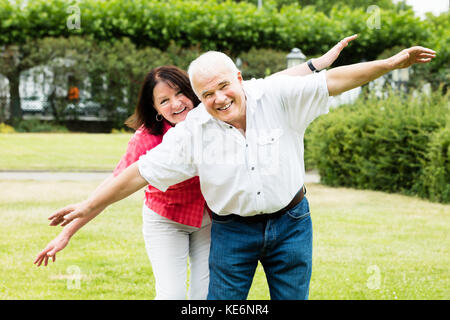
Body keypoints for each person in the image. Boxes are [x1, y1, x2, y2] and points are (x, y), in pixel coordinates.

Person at [34, 36, 358, 300]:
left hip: (207, 220)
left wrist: (319, 64)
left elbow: (268, 85)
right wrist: (67, 232)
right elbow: (119, 184)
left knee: (203, 299)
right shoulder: (148, 140)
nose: (175, 104)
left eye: (180, 94)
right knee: (172, 295)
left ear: (194, 94)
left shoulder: (218, 114)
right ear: (156, 109)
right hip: (167, 220)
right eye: (164, 101)